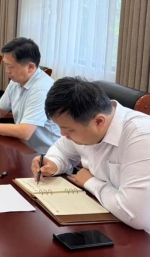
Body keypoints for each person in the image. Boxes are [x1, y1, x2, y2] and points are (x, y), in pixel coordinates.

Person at [31, 77, 150, 231]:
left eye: (69, 130)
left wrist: (90, 182)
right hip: (104, 214)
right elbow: (62, 150)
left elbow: (135, 214)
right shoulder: (85, 124)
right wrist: (53, 163)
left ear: (99, 122)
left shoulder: (141, 137)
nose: (63, 134)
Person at [0, 37, 60, 153]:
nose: (7, 71)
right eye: (6, 65)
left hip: (46, 155)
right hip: (23, 147)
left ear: (30, 67)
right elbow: (0, 109)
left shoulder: (42, 90)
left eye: (11, 67)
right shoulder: (17, 80)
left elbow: (24, 132)